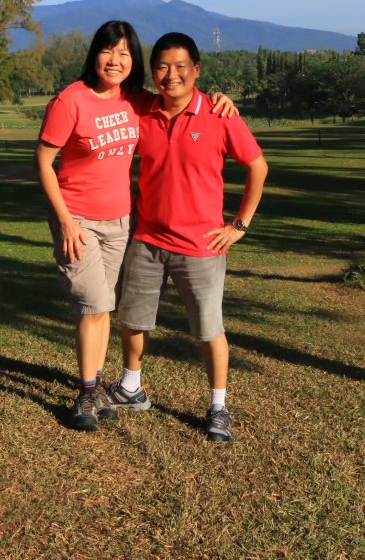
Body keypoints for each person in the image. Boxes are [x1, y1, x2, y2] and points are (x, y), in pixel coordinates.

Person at [36, 21, 235, 432]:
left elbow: (178, 92)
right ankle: (88, 391)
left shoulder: (135, 101)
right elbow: (42, 161)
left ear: (133, 62)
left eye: (125, 54)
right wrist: (65, 221)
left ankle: (103, 386)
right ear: (95, 55)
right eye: (109, 52)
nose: (115, 60)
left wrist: (219, 99)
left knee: (105, 306)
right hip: (79, 219)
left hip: (122, 221)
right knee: (95, 305)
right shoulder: (71, 100)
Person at [107, 31, 267, 443]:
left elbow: (258, 167)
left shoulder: (219, 114)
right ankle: (131, 387)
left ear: (197, 70)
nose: (171, 75)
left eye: (181, 67)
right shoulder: (142, 110)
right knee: (133, 320)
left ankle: (217, 407)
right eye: (161, 66)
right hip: (147, 240)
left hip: (201, 246)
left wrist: (239, 226)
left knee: (209, 329)